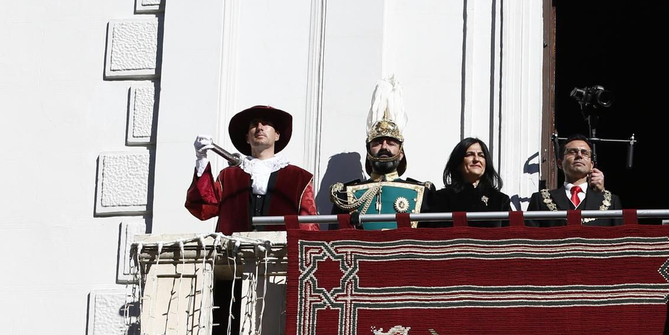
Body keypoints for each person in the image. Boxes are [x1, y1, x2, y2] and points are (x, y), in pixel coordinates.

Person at [186, 104, 317, 234]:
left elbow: (309, 227)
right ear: (247, 138)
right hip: (232, 253)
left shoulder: (300, 178)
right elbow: (204, 209)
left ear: (277, 135)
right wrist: (201, 158)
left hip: (282, 253)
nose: (259, 128)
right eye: (254, 124)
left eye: (265, 124)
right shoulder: (228, 176)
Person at [330, 76, 433, 225]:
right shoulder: (345, 194)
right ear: (368, 150)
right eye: (377, 143)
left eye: (391, 143)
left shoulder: (422, 192)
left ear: (401, 152)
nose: (384, 147)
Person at [532, 137, 622, 224]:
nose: (579, 155)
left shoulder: (611, 202)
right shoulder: (540, 200)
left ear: (591, 165)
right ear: (559, 163)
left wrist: (600, 192)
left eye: (585, 153)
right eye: (572, 152)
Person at [428, 137, 513, 226]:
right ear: (457, 163)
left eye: (481, 155)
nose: (476, 159)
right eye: (469, 154)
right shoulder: (441, 198)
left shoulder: (500, 200)